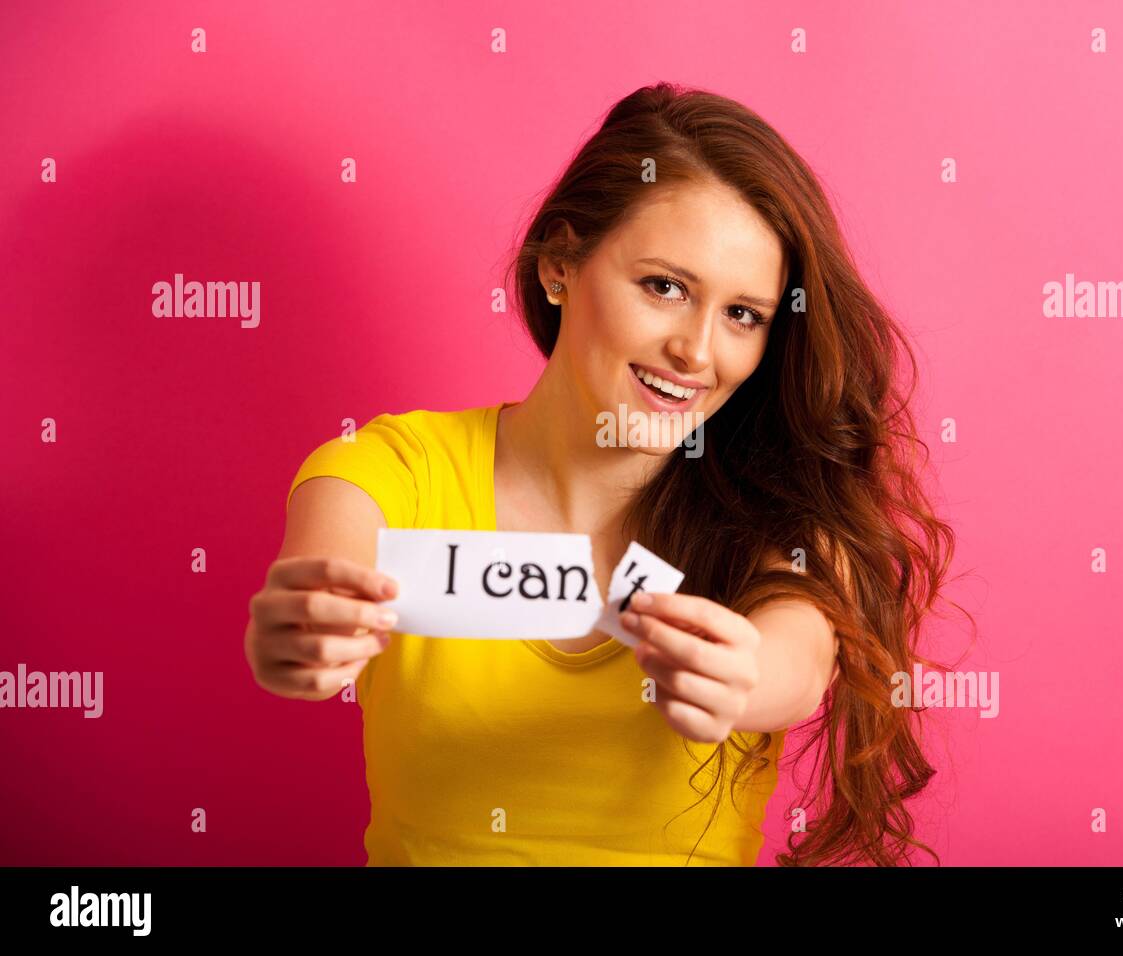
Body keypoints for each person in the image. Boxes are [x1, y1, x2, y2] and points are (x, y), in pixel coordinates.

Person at [244, 82, 958, 867]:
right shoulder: (392, 468)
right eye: (665, 287)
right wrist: (306, 630)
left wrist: (737, 676)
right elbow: (329, 562)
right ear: (559, 264)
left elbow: (792, 658)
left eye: (742, 315)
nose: (696, 351)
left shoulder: (777, 523)